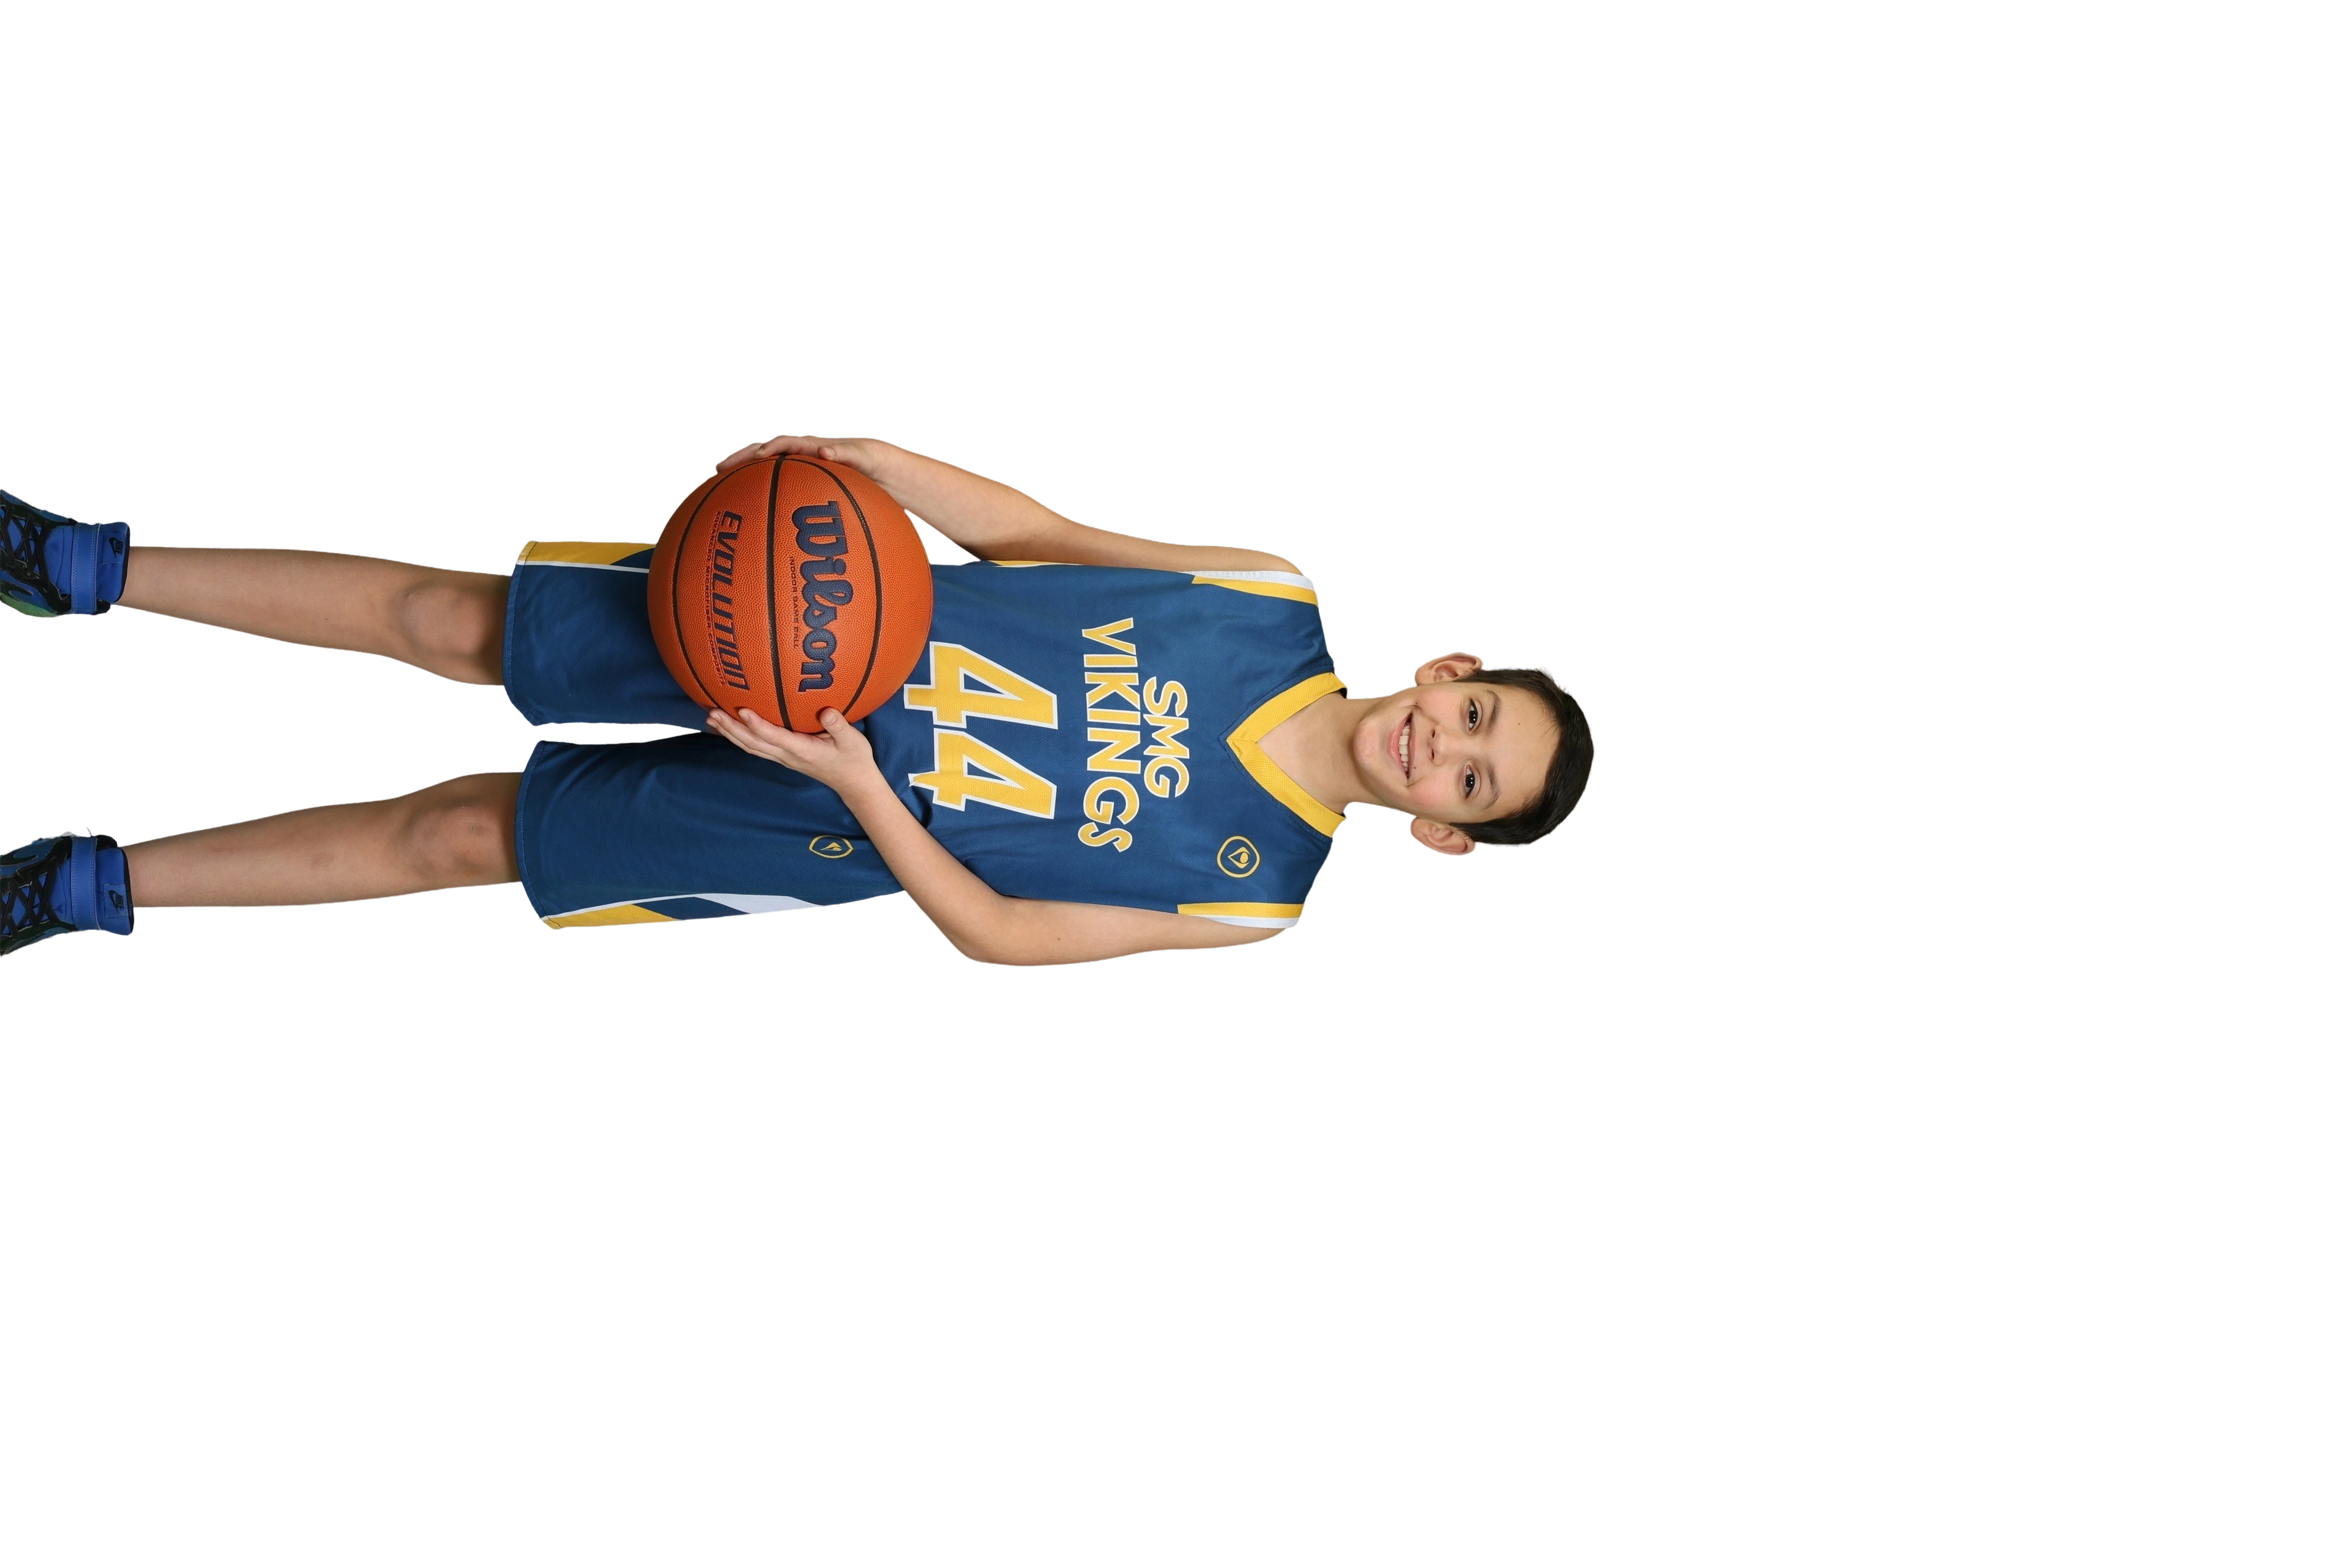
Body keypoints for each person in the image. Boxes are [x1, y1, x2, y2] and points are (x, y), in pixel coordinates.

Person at [1, 434, 1597, 965]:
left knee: (459, 840)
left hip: (817, 819)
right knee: (452, 619)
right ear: (1449, 669)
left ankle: (80, 887)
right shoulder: (1269, 598)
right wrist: (861, 461)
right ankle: (78, 564)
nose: (1440, 750)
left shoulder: (1258, 899)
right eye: (1475, 719)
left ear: (1442, 839)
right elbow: (1041, 541)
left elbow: (1005, 935)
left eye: (1470, 784)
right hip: (797, 612)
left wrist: (855, 785)